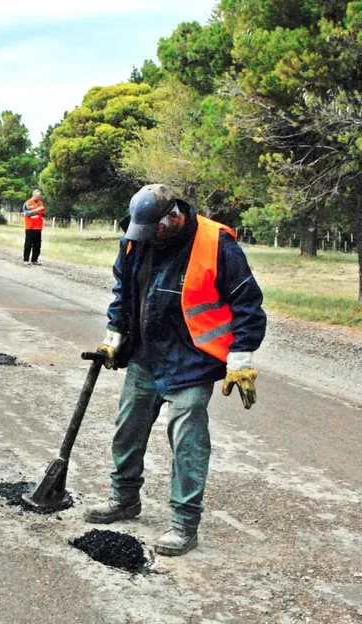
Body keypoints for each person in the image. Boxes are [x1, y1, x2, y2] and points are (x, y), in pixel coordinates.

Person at [84, 184, 266, 556]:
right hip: (146, 355)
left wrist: (241, 360)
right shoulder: (137, 239)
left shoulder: (217, 243)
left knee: (187, 443)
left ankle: (184, 523)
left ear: (174, 217)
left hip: (192, 362)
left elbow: (248, 304)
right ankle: (124, 499)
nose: (147, 237)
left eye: (154, 230)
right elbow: (124, 291)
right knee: (127, 431)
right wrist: (114, 336)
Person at [22, 189, 45, 264]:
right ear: (34, 195)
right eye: (37, 197)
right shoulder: (27, 203)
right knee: (28, 244)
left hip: (38, 227)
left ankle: (34, 260)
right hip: (30, 227)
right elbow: (26, 213)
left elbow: (42, 212)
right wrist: (37, 209)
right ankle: (26, 260)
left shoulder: (40, 203)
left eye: (39, 197)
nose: (39, 198)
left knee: (37, 244)